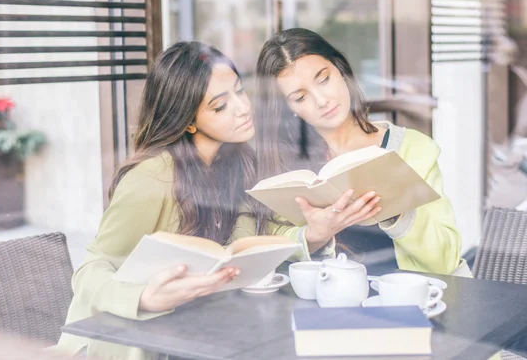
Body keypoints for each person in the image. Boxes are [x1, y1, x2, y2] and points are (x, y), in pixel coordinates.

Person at [56, 41, 380, 360]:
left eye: (240, 91)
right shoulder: (152, 176)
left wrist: (314, 234)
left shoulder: (237, 162)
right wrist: (142, 297)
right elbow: (92, 268)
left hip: (199, 335)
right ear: (188, 120)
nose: (243, 108)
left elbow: (253, 240)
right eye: (220, 106)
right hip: (128, 342)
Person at [254, 28, 471, 276]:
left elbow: (446, 259)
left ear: (341, 71)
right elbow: (271, 245)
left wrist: (396, 212)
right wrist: (314, 236)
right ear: (289, 108)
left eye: (324, 79)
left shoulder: (413, 148)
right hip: (331, 304)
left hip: (414, 302)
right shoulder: (288, 165)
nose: (322, 100)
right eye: (300, 97)